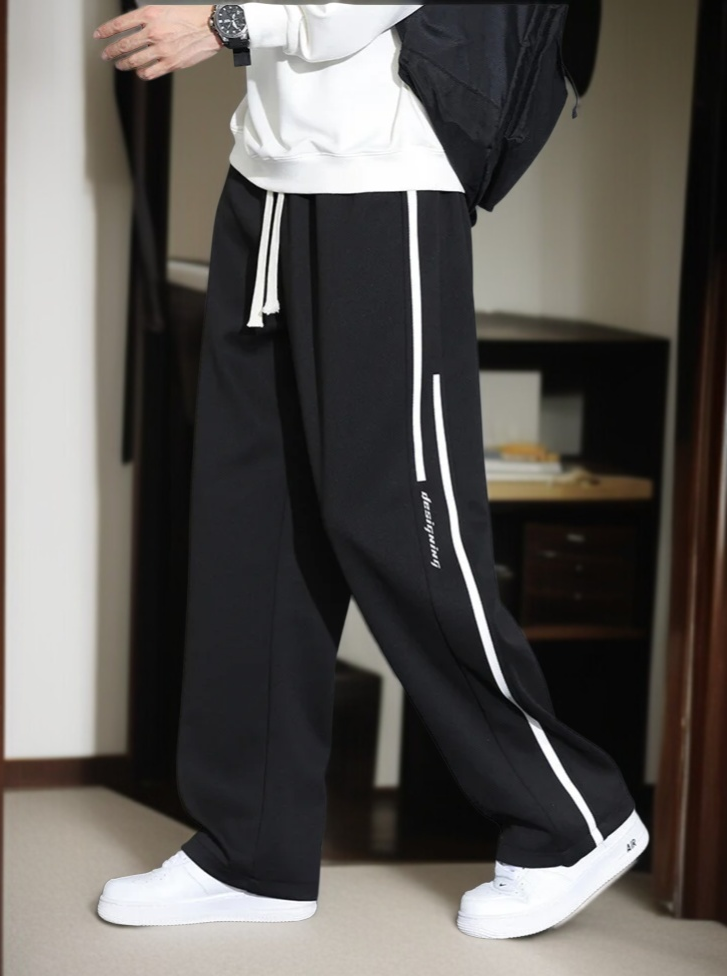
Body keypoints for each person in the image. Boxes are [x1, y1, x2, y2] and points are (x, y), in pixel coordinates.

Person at [93, 3, 648, 940]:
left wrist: (227, 24)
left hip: (384, 181)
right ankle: (249, 852)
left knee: (401, 523)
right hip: (266, 176)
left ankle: (571, 819)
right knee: (252, 522)